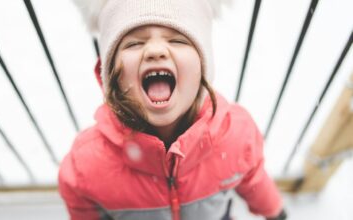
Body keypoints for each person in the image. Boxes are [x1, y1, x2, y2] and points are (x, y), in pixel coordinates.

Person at [58, 0, 287, 219]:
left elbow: (254, 179)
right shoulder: (88, 163)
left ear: (203, 67)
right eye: (134, 43)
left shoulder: (235, 134)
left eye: (178, 40)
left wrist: (274, 211)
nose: (156, 51)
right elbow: (83, 210)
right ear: (110, 76)